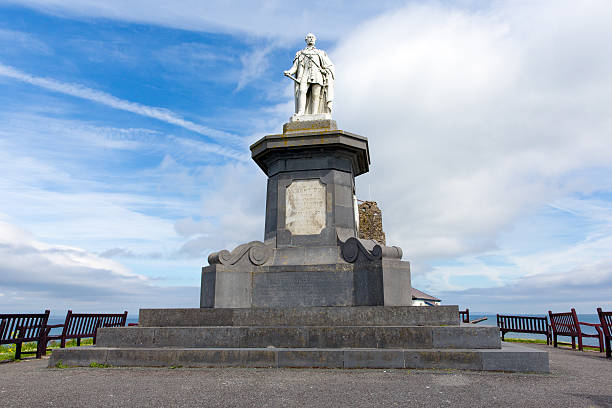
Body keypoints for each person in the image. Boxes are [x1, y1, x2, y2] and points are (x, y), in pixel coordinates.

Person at [284, 33, 335, 117]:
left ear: (315, 40)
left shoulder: (320, 53)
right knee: (302, 91)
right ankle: (301, 112)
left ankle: (315, 114)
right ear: (306, 40)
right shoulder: (300, 53)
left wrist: (325, 71)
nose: (311, 39)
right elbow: (295, 67)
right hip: (304, 75)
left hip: (317, 75)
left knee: (316, 95)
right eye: (309, 37)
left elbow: (330, 66)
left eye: (312, 38)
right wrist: (289, 72)